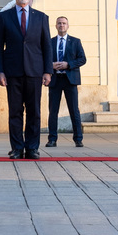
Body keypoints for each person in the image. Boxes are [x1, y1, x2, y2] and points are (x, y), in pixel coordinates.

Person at [0, 0, 51, 159]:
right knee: (15, 112)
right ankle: (16, 148)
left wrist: (48, 71)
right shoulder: (5, 17)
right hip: (12, 72)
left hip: (35, 71)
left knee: (34, 112)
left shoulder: (41, 17)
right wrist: (0, 71)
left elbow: (47, 46)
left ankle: (32, 148)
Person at [46, 16, 87, 148]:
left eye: (64, 23)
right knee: (53, 111)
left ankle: (78, 139)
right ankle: (52, 139)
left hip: (70, 80)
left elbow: (82, 59)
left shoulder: (75, 41)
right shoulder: (50, 42)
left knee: (74, 110)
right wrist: (50, 65)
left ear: (68, 26)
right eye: (59, 23)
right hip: (55, 80)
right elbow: (43, 58)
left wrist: (68, 64)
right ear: (56, 26)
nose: (62, 25)